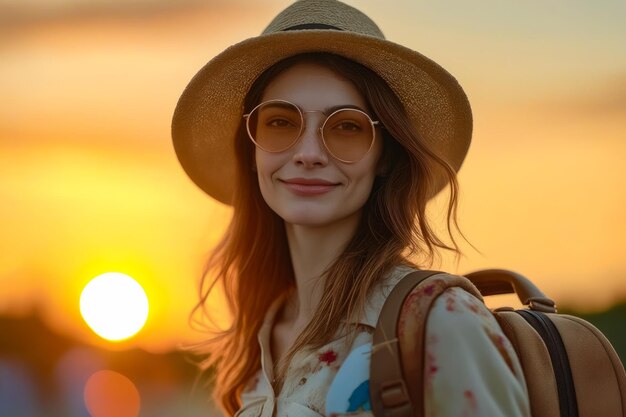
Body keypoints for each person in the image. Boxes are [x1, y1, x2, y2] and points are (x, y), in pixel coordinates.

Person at [172, 1, 531, 416]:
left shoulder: (440, 321)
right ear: (251, 151)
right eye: (280, 122)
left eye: (346, 126)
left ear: (385, 157)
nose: (308, 153)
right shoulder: (259, 339)